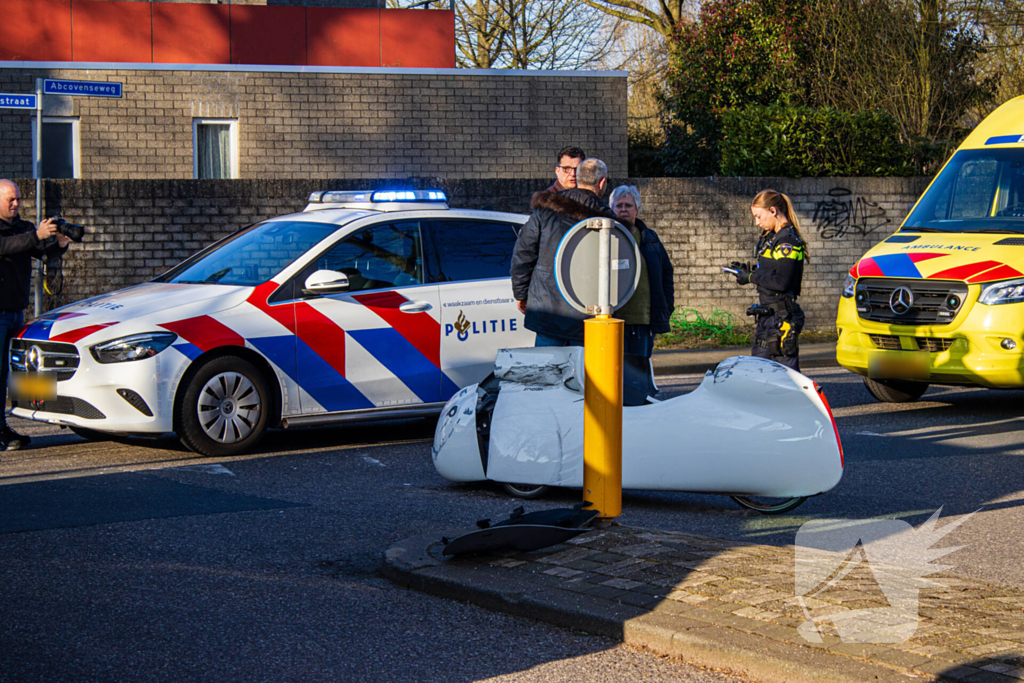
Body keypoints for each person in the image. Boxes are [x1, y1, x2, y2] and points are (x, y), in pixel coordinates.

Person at [511, 158, 615, 346]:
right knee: (585, 374)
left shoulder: (546, 209)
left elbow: (523, 254)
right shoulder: (608, 219)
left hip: (547, 313)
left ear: (578, 177)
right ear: (602, 183)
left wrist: (520, 293)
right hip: (589, 319)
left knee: (548, 371)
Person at [0, 179, 71, 451]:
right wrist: (36, 236)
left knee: (16, 373)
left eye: (17, 198)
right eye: (11, 200)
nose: (16, 204)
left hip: (16, 311)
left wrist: (60, 244)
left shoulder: (24, 228)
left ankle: (5, 426)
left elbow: (40, 252)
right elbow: (5, 247)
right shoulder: (23, 232)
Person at [730, 189, 808, 370]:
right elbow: (769, 271)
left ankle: (798, 399)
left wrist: (750, 277)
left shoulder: (787, 241)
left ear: (773, 211)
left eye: (759, 216)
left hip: (782, 319)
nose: (757, 223)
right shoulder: (771, 239)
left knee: (785, 375)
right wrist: (746, 271)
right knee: (758, 370)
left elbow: (782, 281)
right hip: (767, 316)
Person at [609, 185, 674, 358]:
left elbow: (666, 273)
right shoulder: (605, 238)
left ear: (637, 210)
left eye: (628, 205)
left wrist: (667, 307)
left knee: (639, 374)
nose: (623, 210)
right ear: (612, 209)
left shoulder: (650, 238)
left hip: (643, 322)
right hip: (614, 321)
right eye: (619, 205)